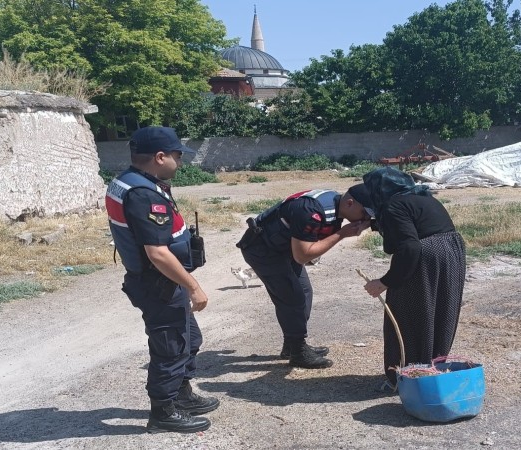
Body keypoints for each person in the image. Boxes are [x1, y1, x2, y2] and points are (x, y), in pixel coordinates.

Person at [105, 126, 219, 433]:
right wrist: (193, 287)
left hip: (163, 280)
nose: (180, 163)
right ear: (159, 157)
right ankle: (163, 412)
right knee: (170, 348)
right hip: (159, 283)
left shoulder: (130, 180)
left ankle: (181, 394)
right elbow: (157, 253)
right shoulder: (142, 194)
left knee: (190, 339)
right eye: (177, 156)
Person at [236, 185, 375, 369]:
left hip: (284, 249)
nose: (366, 218)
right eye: (365, 213)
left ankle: (292, 345)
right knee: (293, 297)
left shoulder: (335, 204)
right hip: (263, 250)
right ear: (350, 203)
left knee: (304, 292)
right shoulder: (310, 211)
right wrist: (342, 233)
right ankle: (298, 352)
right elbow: (303, 255)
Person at [361, 167, 466, 391]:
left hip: (426, 257)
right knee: (438, 312)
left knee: (408, 314)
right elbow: (415, 225)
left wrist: (384, 282)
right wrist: (374, 224)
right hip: (450, 252)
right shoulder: (421, 198)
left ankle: (404, 376)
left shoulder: (392, 206)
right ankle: (430, 370)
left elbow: (409, 247)